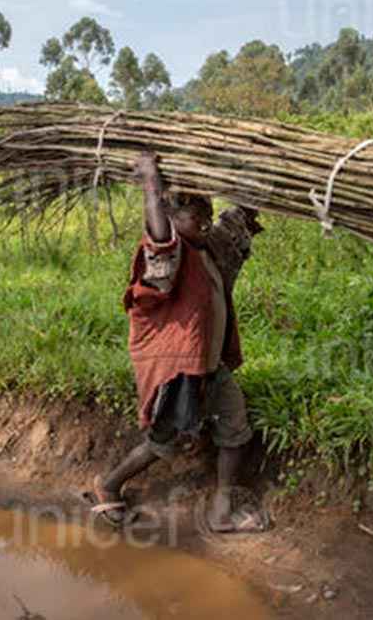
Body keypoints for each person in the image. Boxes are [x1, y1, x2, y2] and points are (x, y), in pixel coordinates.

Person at [87, 151, 266, 533]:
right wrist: (151, 181)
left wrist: (262, 171)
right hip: (178, 370)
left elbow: (238, 223)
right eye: (192, 212)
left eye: (206, 210)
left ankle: (222, 511)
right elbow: (160, 241)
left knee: (235, 429)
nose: (203, 217)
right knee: (163, 442)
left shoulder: (209, 248)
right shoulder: (166, 255)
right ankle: (109, 483)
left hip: (210, 366)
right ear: (170, 216)